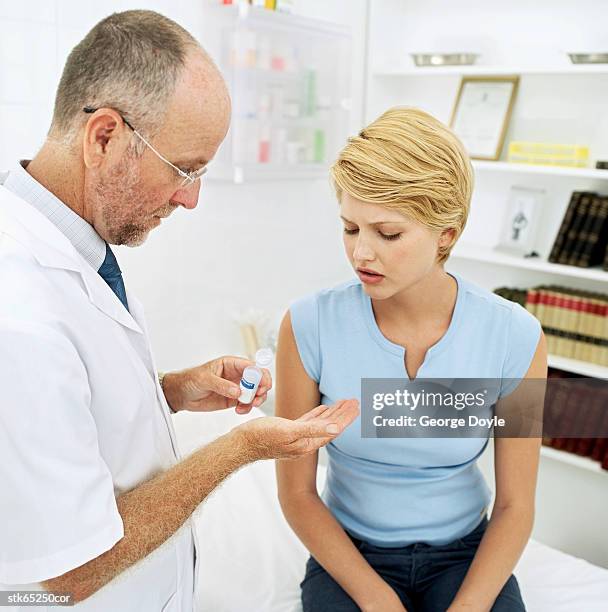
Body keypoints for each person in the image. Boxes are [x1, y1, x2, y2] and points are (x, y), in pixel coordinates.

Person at [0, 10, 359, 611]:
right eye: (184, 169)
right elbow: (72, 572)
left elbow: (65, 411)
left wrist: (169, 389)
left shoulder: (75, 246)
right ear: (104, 137)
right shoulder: (20, 310)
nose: (190, 198)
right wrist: (241, 447)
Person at [276, 107, 548, 611]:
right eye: (350, 228)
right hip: (349, 555)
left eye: (388, 233)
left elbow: (515, 505)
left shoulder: (516, 336)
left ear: (446, 233)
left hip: (465, 555)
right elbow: (297, 494)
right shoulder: (308, 324)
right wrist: (377, 599)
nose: (361, 253)